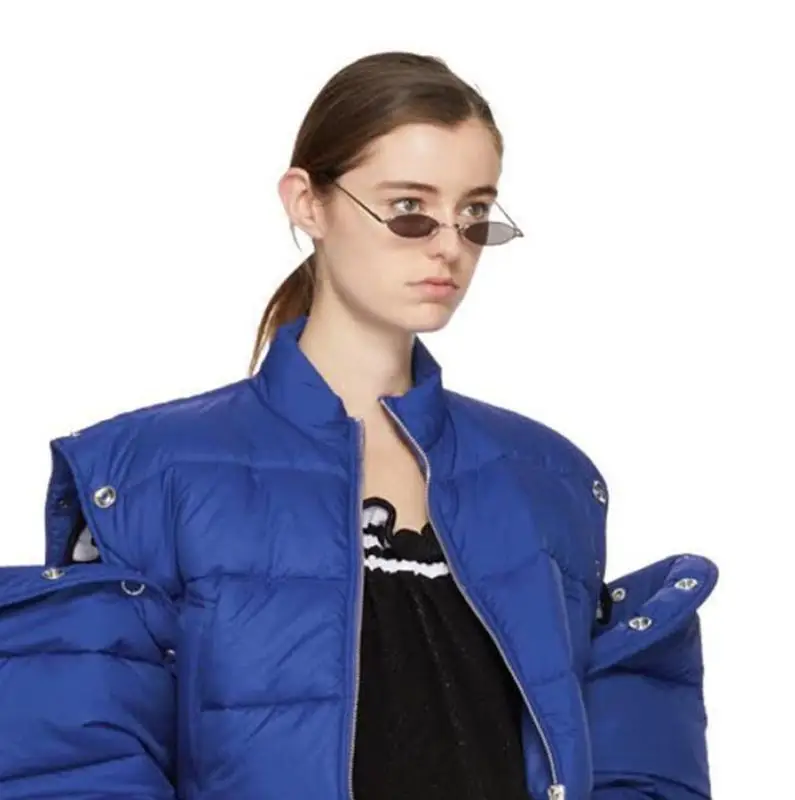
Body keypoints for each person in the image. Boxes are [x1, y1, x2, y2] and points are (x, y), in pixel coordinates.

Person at [0, 51, 717, 800]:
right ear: (306, 203)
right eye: (409, 209)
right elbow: (79, 766)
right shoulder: (146, 472)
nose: (449, 246)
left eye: (474, 214)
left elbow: (621, 759)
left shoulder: (547, 478)